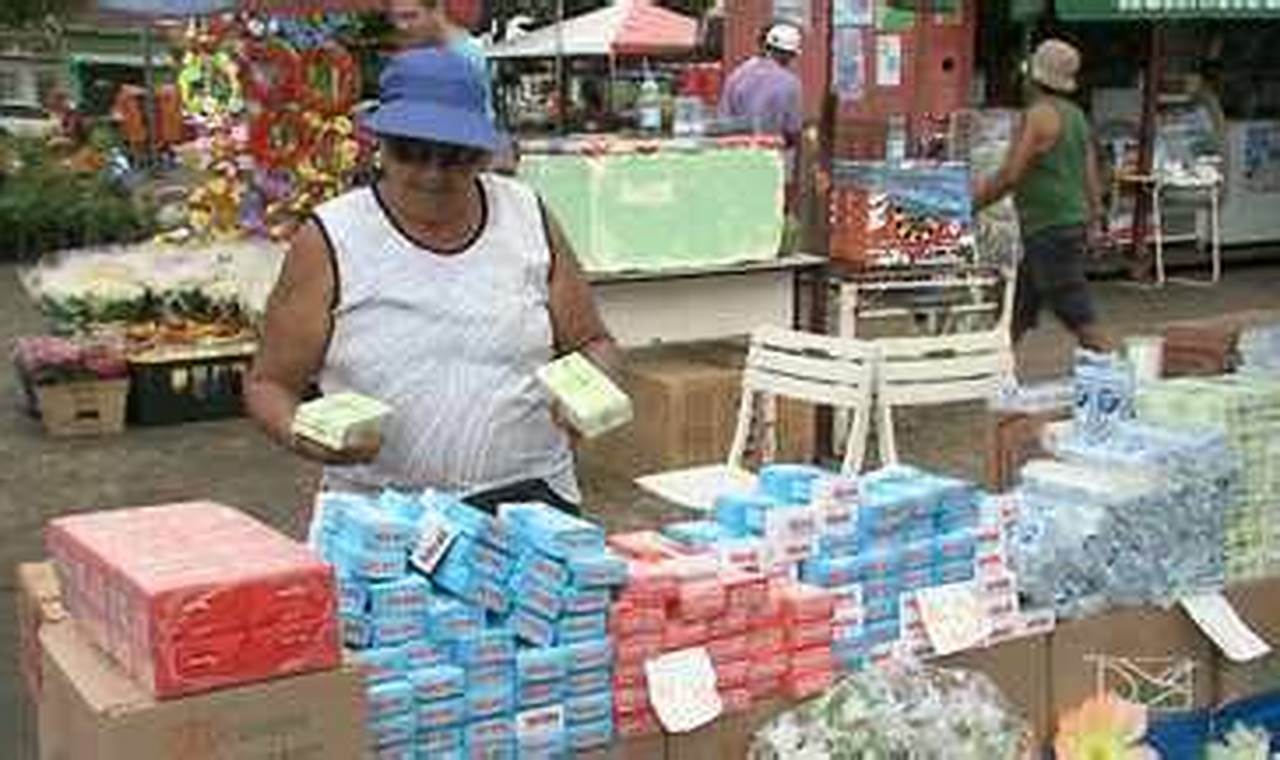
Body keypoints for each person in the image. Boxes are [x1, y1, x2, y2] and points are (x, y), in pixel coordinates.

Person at [245, 48, 620, 515]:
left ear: (484, 153)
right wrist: (306, 437)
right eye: (410, 153)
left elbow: (591, 341)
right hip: (382, 518)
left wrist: (590, 396)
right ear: (379, 146)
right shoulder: (332, 239)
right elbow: (269, 384)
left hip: (528, 509)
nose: (431, 173)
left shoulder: (526, 216)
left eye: (455, 157)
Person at [975, 39, 1112, 352]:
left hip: (1048, 227)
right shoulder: (1076, 116)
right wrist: (1095, 218)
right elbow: (1090, 177)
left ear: (1032, 76)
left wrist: (972, 203)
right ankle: (994, 372)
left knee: (1077, 313)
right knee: (1018, 311)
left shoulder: (1038, 115)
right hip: (1065, 223)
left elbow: (1011, 175)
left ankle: (1116, 370)